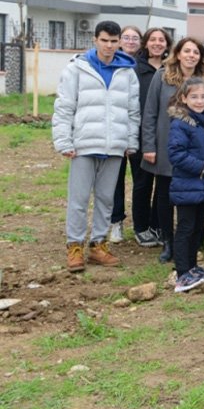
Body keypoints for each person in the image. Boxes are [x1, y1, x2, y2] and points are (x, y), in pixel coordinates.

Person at [53, 20, 139, 272]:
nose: (109, 46)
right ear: (95, 39)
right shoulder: (77, 68)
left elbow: (133, 111)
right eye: (105, 40)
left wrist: (130, 141)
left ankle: (98, 244)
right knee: (78, 199)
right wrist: (63, 140)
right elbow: (64, 107)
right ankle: (74, 247)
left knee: (106, 198)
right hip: (83, 145)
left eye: (114, 41)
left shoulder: (127, 72)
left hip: (114, 146)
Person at [142, 37, 204, 263]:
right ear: (178, 54)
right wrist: (148, 145)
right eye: (187, 51)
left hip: (197, 148)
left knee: (197, 194)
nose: (191, 55)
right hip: (166, 145)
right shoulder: (162, 77)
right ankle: (168, 241)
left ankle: (195, 237)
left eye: (196, 52)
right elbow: (150, 112)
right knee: (164, 195)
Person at [167, 77, 204, 293]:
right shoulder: (181, 123)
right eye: (194, 97)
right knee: (186, 228)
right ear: (184, 98)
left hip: (203, 185)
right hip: (188, 185)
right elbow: (176, 153)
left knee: (198, 228)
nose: (199, 101)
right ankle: (182, 273)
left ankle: (193, 267)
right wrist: (202, 168)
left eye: (203, 96)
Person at [129, 27, 172, 247]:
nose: (157, 43)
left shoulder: (170, 69)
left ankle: (157, 224)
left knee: (163, 182)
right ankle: (141, 227)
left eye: (161, 40)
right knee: (143, 182)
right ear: (146, 43)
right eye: (153, 39)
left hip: (164, 134)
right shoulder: (135, 68)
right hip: (141, 133)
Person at [106, 24, 143, 244]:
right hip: (117, 129)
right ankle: (116, 221)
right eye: (126, 37)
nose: (130, 41)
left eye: (135, 37)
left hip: (140, 129)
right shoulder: (111, 63)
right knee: (115, 179)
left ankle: (142, 224)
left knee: (140, 180)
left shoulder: (144, 65)